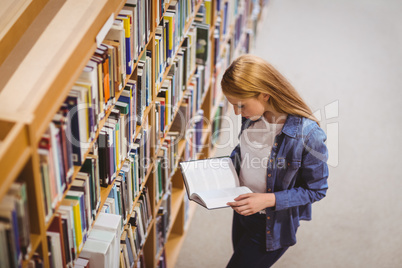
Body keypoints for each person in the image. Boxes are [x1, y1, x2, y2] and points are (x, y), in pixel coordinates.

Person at [221, 54, 329, 267]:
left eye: (241, 105)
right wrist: (223, 166)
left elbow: (317, 190)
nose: (236, 112)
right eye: (232, 105)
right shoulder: (251, 117)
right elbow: (245, 151)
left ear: (265, 95)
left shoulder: (308, 136)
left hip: (270, 224)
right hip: (243, 211)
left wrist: (268, 199)